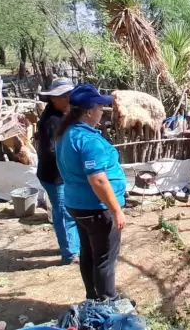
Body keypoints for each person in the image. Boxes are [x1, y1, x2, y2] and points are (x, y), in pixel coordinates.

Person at [54, 84, 127, 301]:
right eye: (99, 107)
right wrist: (116, 210)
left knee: (88, 252)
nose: (102, 111)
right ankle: (108, 303)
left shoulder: (67, 133)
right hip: (96, 208)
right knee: (104, 258)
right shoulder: (88, 140)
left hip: (77, 204)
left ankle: (93, 297)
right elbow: (98, 180)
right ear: (88, 111)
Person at [37, 77, 80, 265]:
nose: (67, 99)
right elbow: (51, 151)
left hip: (62, 175)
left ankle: (72, 245)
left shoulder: (62, 115)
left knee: (67, 212)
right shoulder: (52, 121)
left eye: (69, 95)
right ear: (53, 98)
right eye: (63, 96)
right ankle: (70, 253)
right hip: (55, 176)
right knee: (64, 213)